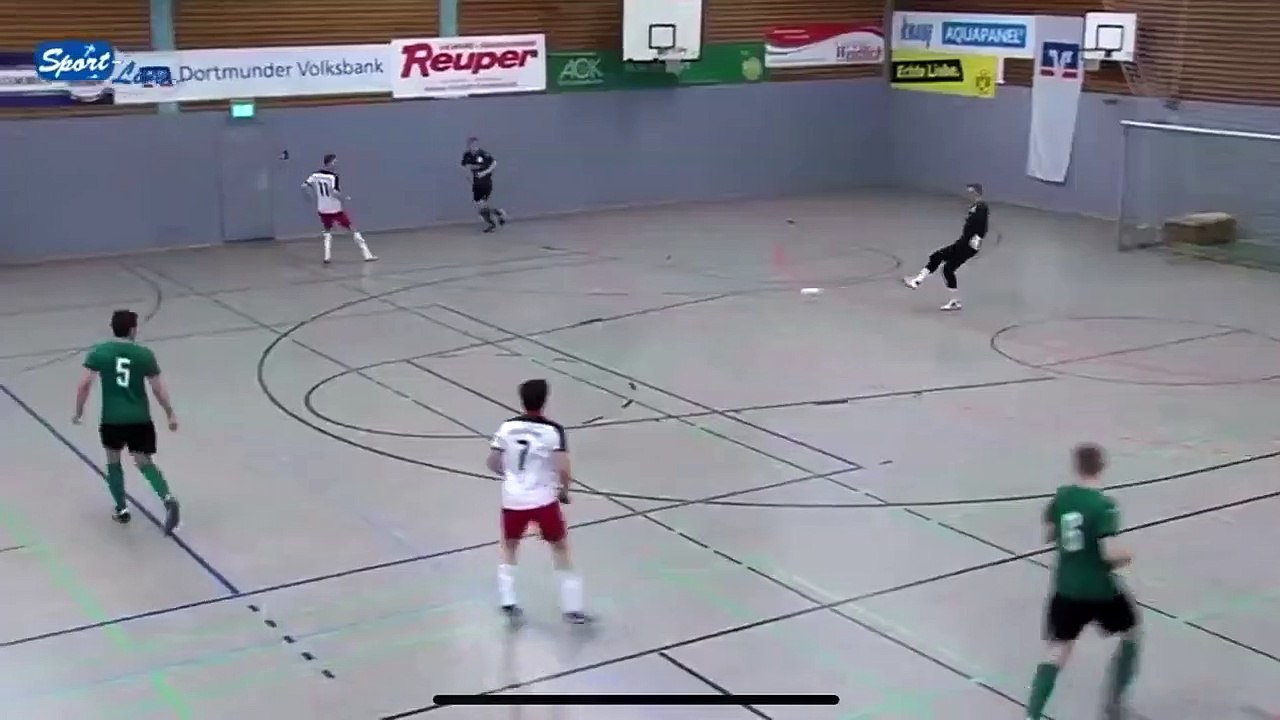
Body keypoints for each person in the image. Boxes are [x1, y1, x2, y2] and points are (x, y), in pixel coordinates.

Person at [1027, 443, 1140, 720]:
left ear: (1076, 465)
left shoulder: (1062, 498)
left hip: (1065, 588)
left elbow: (1048, 535)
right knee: (1131, 634)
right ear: (1102, 466)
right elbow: (1109, 553)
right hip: (1100, 591)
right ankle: (1114, 704)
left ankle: (1032, 715)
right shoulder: (1104, 507)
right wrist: (1127, 556)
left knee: (1057, 651)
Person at [487, 379, 587, 624]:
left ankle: (508, 601)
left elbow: (492, 461)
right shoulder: (553, 431)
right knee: (560, 549)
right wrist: (564, 491)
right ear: (545, 400)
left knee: (510, 547)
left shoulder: (507, 427)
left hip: (513, 499)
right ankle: (572, 608)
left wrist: (511, 476)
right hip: (543, 500)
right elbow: (563, 467)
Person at [73, 310, 181, 533]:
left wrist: (79, 411)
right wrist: (169, 413)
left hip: (112, 419)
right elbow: (158, 389)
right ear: (133, 329)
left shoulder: (99, 353)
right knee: (144, 461)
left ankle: (121, 509)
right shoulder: (144, 355)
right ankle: (167, 498)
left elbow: (84, 384)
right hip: (139, 419)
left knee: (113, 461)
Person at [903, 182, 989, 310]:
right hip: (966, 244)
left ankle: (917, 281)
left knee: (937, 256)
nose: (968, 195)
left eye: (970, 192)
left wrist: (976, 239)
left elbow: (982, 227)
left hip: (966, 244)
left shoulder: (980, 207)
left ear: (977, 193)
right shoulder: (975, 207)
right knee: (948, 269)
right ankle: (955, 301)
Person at [303, 153, 376, 264]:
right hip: (335, 209)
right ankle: (367, 254)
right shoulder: (333, 176)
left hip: (322, 208)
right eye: (334, 162)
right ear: (329, 163)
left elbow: (304, 185)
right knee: (352, 228)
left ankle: (327, 256)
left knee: (327, 230)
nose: (336, 164)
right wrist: (344, 199)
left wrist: (309, 195)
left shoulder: (315, 175)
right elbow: (334, 192)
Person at [461, 137, 507, 233]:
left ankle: (493, 223)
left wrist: (485, 173)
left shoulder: (483, 154)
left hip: (485, 183)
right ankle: (498, 213)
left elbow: (494, 163)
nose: (473, 147)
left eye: (475, 145)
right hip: (476, 184)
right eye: (471, 145)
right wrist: (468, 178)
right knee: (481, 207)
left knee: (482, 206)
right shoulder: (467, 155)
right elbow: (465, 167)